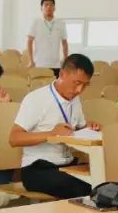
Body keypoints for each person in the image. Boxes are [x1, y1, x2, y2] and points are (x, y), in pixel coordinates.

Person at [8, 54, 101, 199]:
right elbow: (14, 138)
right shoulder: (36, 99)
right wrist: (51, 134)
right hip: (37, 168)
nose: (79, 90)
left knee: (103, 178)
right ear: (62, 74)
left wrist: (89, 127)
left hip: (67, 164)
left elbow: (76, 130)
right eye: (76, 83)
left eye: (85, 85)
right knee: (84, 187)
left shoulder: (75, 100)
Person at [27, 0, 68, 76]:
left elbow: (64, 42)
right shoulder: (36, 22)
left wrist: (65, 58)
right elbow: (29, 41)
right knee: (39, 84)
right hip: (39, 64)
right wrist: (31, 60)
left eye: (51, 5)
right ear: (41, 8)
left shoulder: (60, 23)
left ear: (54, 8)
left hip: (56, 64)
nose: (49, 7)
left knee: (55, 84)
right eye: (46, 5)